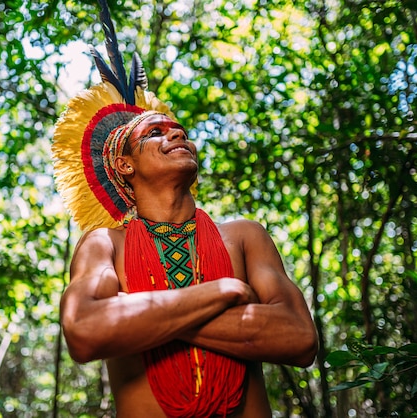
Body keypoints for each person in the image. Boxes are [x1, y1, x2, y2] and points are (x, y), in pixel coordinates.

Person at [51, 3, 318, 416]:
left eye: (180, 132)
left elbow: (300, 338)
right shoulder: (104, 244)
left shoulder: (245, 236)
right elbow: (85, 330)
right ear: (125, 165)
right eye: (155, 133)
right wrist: (221, 293)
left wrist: (147, 317)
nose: (176, 133)